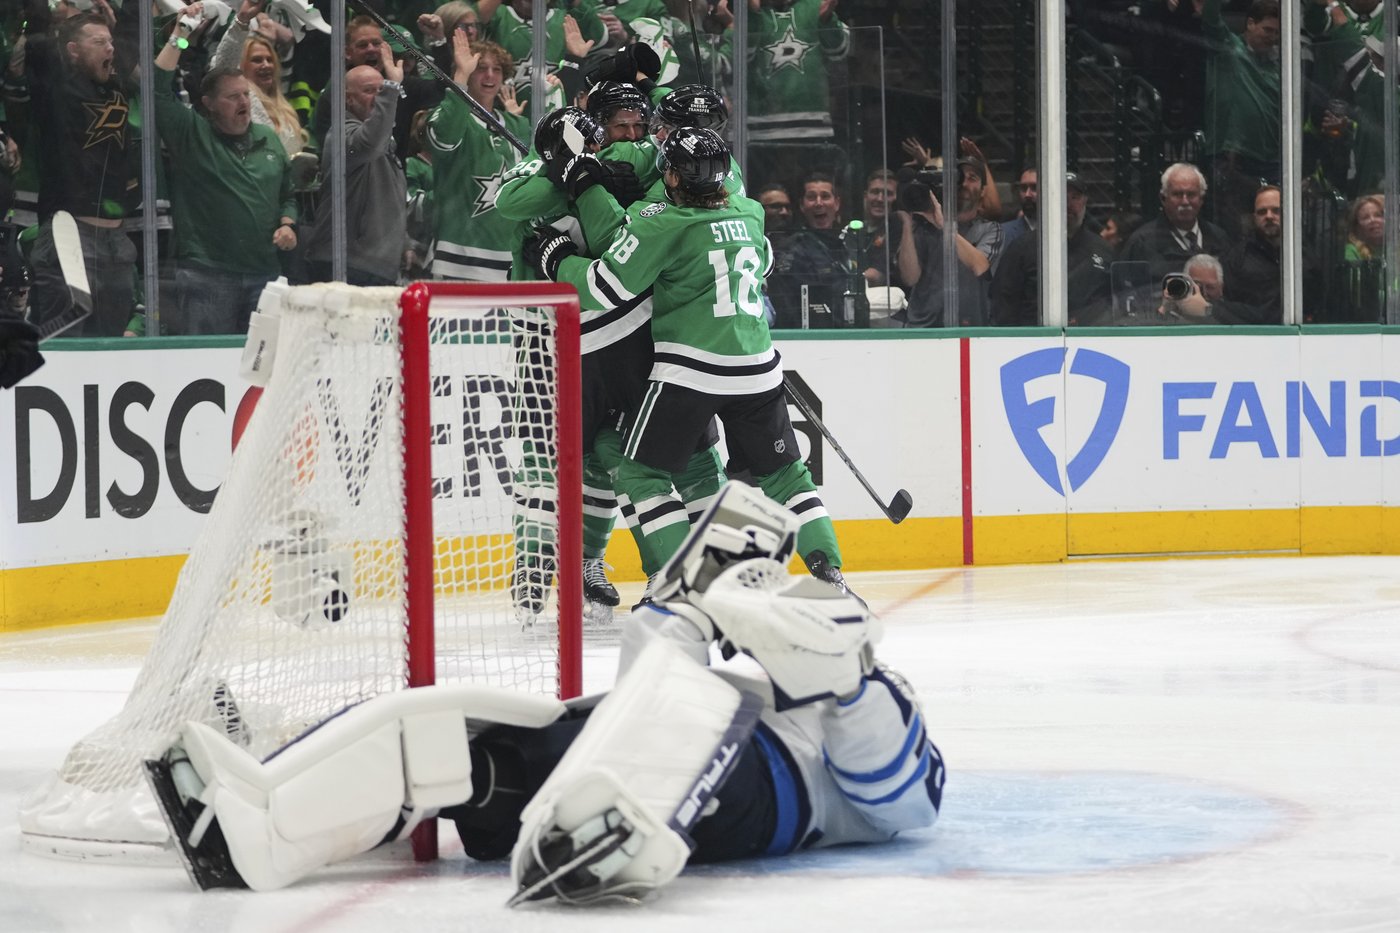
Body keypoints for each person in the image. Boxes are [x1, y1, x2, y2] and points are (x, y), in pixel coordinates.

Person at [143, 484, 944, 901]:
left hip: (761, 791)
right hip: (663, 729)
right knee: (456, 743)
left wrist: (846, 683)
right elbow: (650, 680)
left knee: (502, 765)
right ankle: (263, 803)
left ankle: (605, 826)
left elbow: (902, 804)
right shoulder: (725, 686)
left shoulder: (879, 696)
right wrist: (689, 608)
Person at [522, 128, 853, 594]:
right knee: (786, 475)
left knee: (641, 473)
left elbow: (605, 288)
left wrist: (557, 261)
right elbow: (764, 264)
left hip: (691, 371)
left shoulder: (665, 224)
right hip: (758, 367)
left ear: (674, 177)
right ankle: (830, 571)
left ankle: (679, 585)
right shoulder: (752, 211)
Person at [156, 12, 298, 335]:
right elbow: (157, 89)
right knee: (206, 370)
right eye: (233, 97)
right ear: (208, 104)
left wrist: (288, 223)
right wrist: (181, 34)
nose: (244, 102)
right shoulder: (192, 134)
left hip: (265, 276)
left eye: (246, 94)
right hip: (207, 276)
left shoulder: (269, 137)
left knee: (262, 371)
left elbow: (287, 193)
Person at [23, 1, 140, 338]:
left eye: (110, 42)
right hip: (69, 235)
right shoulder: (54, 89)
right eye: (99, 42)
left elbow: (132, 35)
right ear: (73, 50)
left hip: (117, 241)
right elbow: (37, 34)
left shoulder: (116, 86)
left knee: (111, 351)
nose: (110, 48)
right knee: (66, 349)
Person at [426, 34, 528, 281]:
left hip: (510, 261)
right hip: (458, 261)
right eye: (480, 69)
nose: (490, 75)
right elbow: (445, 138)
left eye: (496, 69)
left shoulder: (520, 126)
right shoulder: (449, 116)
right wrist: (459, 77)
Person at [302, 62, 407, 286]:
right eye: (370, 90)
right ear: (348, 99)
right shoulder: (341, 135)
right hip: (343, 264)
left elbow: (386, 205)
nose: (380, 97)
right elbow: (371, 142)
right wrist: (391, 88)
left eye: (382, 91)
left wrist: (404, 245)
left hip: (377, 268)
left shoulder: (387, 146)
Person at [990, 173, 1112, 327]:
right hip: (1034, 343)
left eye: (1075, 197)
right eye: (1062, 195)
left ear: (1085, 201)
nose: (1068, 203)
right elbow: (1003, 305)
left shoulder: (1103, 250)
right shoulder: (1022, 248)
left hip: (1092, 342)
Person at [1202, 0, 1281, 235]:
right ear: (1250, 24)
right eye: (1268, 30)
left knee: (1273, 229)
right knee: (1234, 233)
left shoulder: (1279, 66)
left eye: (1277, 32)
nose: (1273, 37)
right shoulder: (1227, 46)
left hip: (1271, 161)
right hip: (1232, 159)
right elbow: (1210, 17)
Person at [211, 0, 309, 159]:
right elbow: (221, 66)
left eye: (270, 60)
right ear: (241, 67)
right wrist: (242, 21)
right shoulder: (241, 99)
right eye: (257, 60)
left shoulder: (284, 107)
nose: (266, 65)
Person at [1118, 162, 1232, 286]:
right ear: (1163, 198)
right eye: (1177, 194)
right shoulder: (1141, 243)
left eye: (1191, 194)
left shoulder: (1219, 238)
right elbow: (1126, 294)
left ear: (1201, 199)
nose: (1185, 201)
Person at [1220, 185, 1283, 324]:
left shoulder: (1304, 254)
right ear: (1254, 217)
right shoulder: (1237, 258)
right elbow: (1229, 307)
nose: (1269, 216)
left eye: (1276, 210)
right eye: (1262, 212)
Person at [999, 168, 1037, 252]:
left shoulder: (1061, 231)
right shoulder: (1003, 235)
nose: (1027, 195)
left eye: (1034, 188)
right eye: (1023, 188)